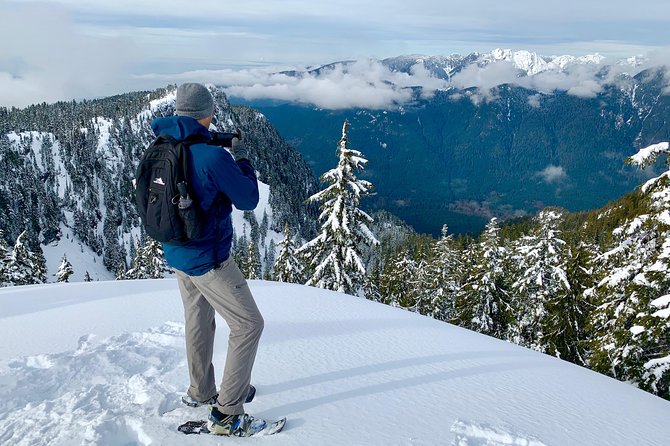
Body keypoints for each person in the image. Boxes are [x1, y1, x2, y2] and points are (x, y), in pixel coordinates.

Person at [150, 83, 264, 436]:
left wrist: (215, 142)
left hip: (177, 252)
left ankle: (201, 391)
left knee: (198, 319)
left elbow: (194, 165)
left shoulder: (165, 144)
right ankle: (228, 413)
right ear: (208, 112)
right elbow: (248, 199)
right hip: (209, 259)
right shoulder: (214, 157)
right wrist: (241, 159)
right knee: (248, 325)